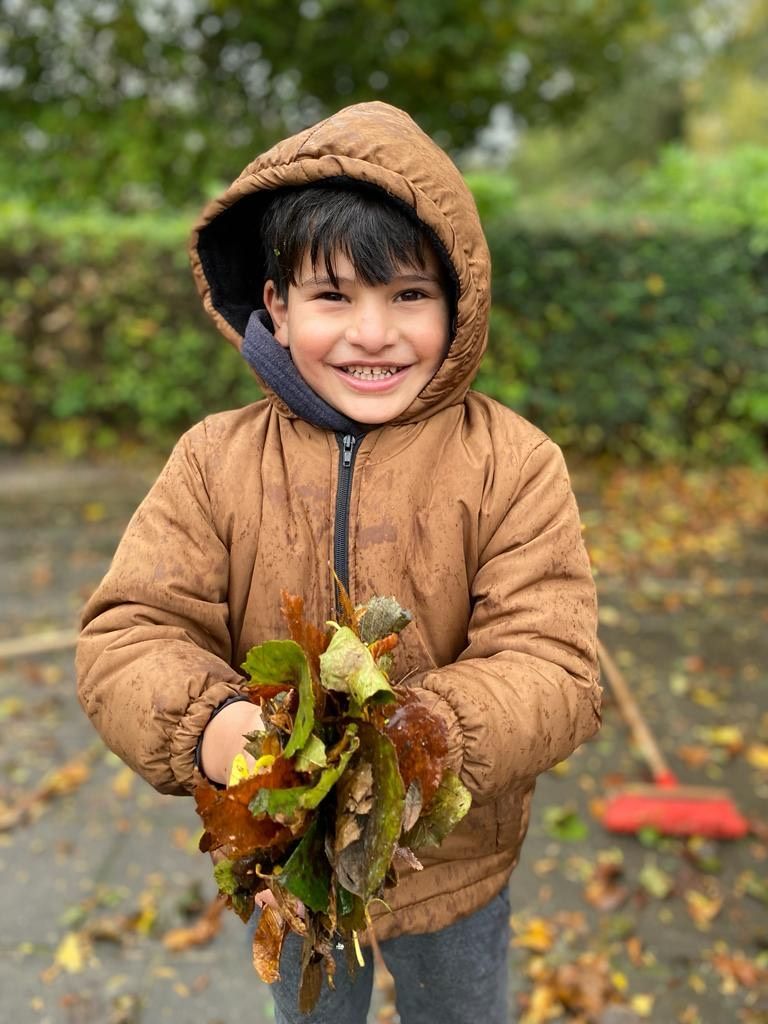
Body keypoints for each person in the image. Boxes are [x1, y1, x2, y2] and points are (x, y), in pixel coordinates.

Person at [76, 101, 601, 1023]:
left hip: (453, 862)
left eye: (408, 295)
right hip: (287, 861)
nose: (372, 333)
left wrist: (422, 742)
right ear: (277, 308)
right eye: (333, 297)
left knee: (461, 1010)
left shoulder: (514, 464)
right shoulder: (212, 461)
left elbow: (553, 663)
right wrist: (216, 729)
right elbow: (130, 633)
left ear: (458, 302)